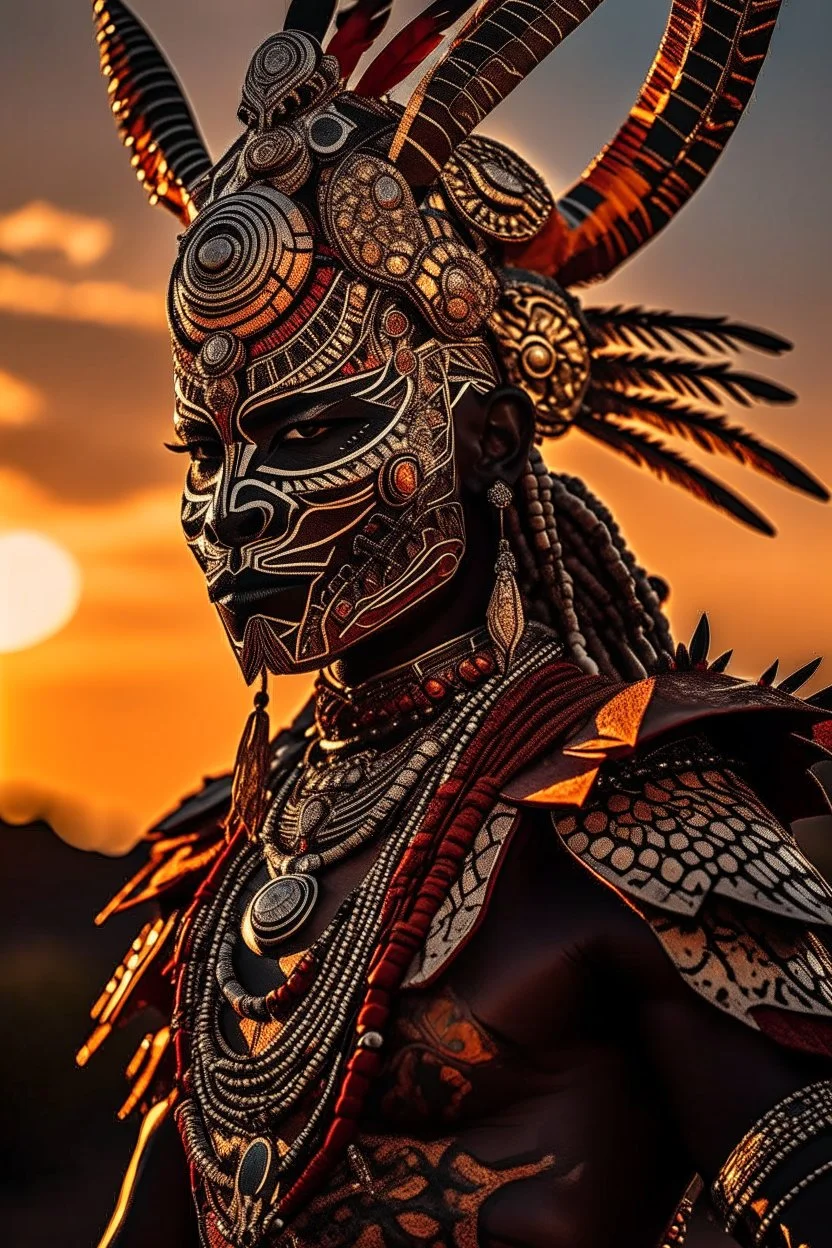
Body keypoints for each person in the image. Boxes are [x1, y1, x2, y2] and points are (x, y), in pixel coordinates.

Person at [80, 3, 832, 1246]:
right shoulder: (233, 868)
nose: (232, 507)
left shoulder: (640, 819)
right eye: (202, 453)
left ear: (481, 432)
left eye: (312, 430)